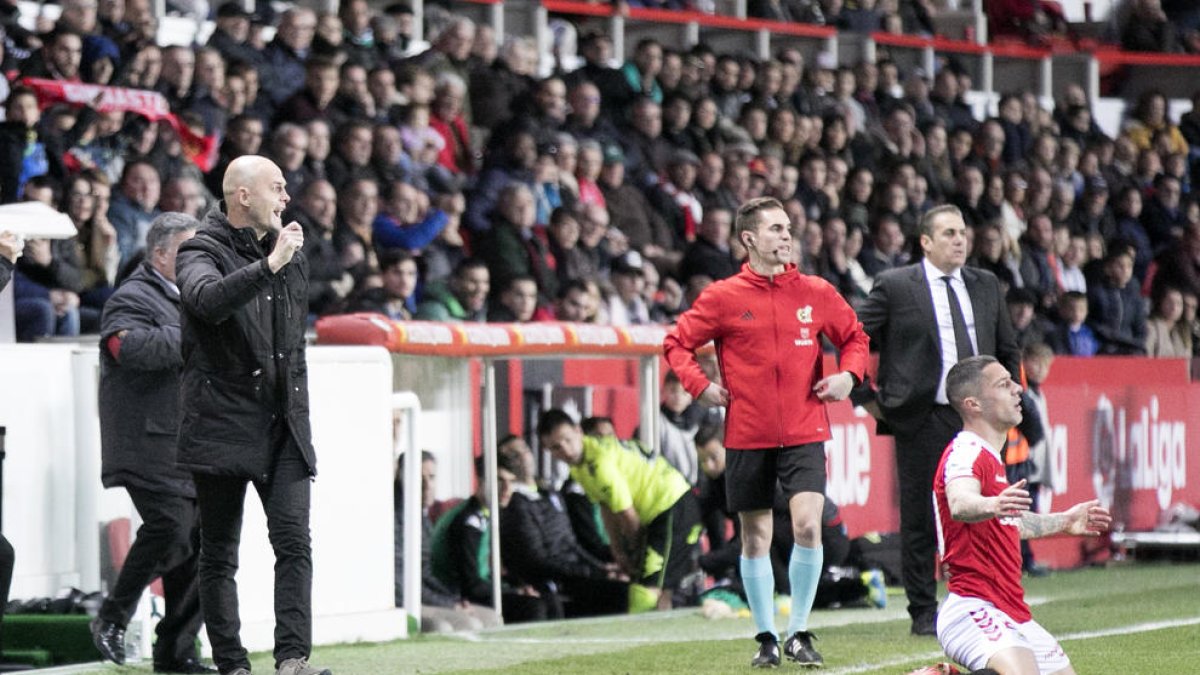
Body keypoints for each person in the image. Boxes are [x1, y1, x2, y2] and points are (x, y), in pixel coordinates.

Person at [663, 196, 870, 668]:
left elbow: (855, 337)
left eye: (787, 228)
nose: (786, 236)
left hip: (805, 429)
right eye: (775, 229)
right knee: (754, 539)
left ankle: (798, 631)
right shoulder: (722, 296)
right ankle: (766, 638)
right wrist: (698, 385)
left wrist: (848, 377)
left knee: (805, 526)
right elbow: (676, 343)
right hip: (747, 434)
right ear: (749, 238)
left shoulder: (816, 291)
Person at [175, 156, 330, 675]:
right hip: (222, 424)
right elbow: (205, 301)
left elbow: (294, 349)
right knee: (219, 553)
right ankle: (232, 666)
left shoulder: (289, 253)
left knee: (294, 543)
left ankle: (292, 661)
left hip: (283, 426)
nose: (286, 198)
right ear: (243, 196)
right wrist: (267, 267)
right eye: (277, 188)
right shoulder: (199, 248)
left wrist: (301, 421)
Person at [855, 204, 1020, 637]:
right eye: (948, 233)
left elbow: (1007, 347)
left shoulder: (985, 285)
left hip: (979, 418)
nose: (960, 240)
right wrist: (866, 398)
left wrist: (1009, 397)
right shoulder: (895, 286)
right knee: (922, 515)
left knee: (987, 509)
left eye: (962, 232)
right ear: (925, 241)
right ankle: (923, 611)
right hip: (922, 416)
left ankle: (986, 599)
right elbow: (854, 336)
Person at [934, 355, 1112, 674]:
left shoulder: (990, 457)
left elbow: (1010, 524)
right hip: (972, 607)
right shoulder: (966, 452)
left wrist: (1065, 521)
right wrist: (991, 504)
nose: (1018, 389)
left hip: (1012, 611)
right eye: (1004, 384)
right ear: (973, 404)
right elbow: (960, 502)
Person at [91, 214, 213, 673]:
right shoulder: (132, 296)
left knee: (201, 545)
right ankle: (112, 615)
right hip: (147, 442)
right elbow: (127, 349)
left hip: (190, 443)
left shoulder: (198, 297)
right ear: (159, 253)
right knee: (173, 529)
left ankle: (177, 651)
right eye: (188, 251)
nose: (199, 261)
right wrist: (193, 334)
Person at [536, 409, 702, 616]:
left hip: (672, 506)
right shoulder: (580, 468)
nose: (566, 450)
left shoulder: (599, 462)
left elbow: (628, 515)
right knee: (658, 585)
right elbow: (607, 508)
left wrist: (634, 551)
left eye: (568, 440)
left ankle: (644, 641)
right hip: (664, 509)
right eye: (556, 447)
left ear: (579, 431)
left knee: (645, 587)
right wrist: (618, 551)